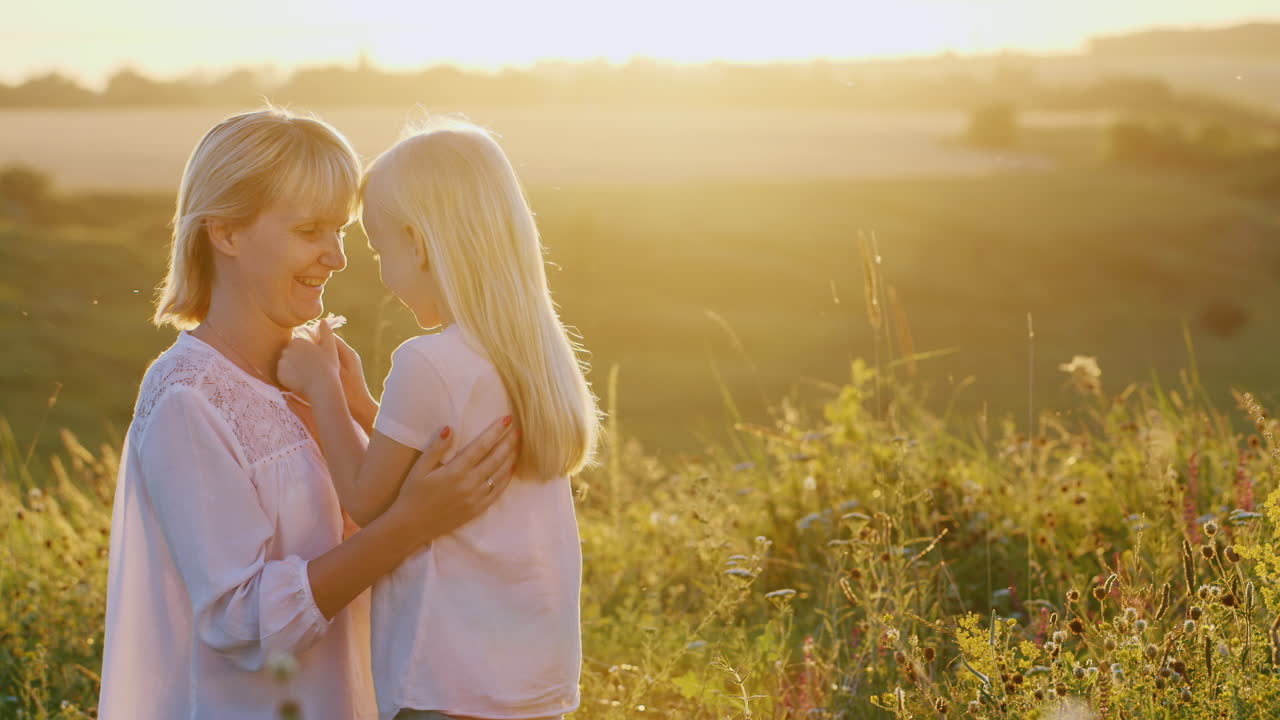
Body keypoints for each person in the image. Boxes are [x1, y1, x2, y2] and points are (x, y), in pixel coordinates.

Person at [97, 107, 518, 720]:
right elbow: (239, 619)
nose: (337, 258)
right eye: (310, 231)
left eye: (341, 232)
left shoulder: (320, 370)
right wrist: (410, 524)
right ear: (227, 233)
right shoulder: (188, 400)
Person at [277, 116, 600, 720]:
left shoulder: (426, 360)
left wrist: (322, 387)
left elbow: (369, 501)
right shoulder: (532, 354)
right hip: (532, 677)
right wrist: (365, 407)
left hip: (444, 677)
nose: (378, 269)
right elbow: (442, 450)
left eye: (379, 248)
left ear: (418, 244)